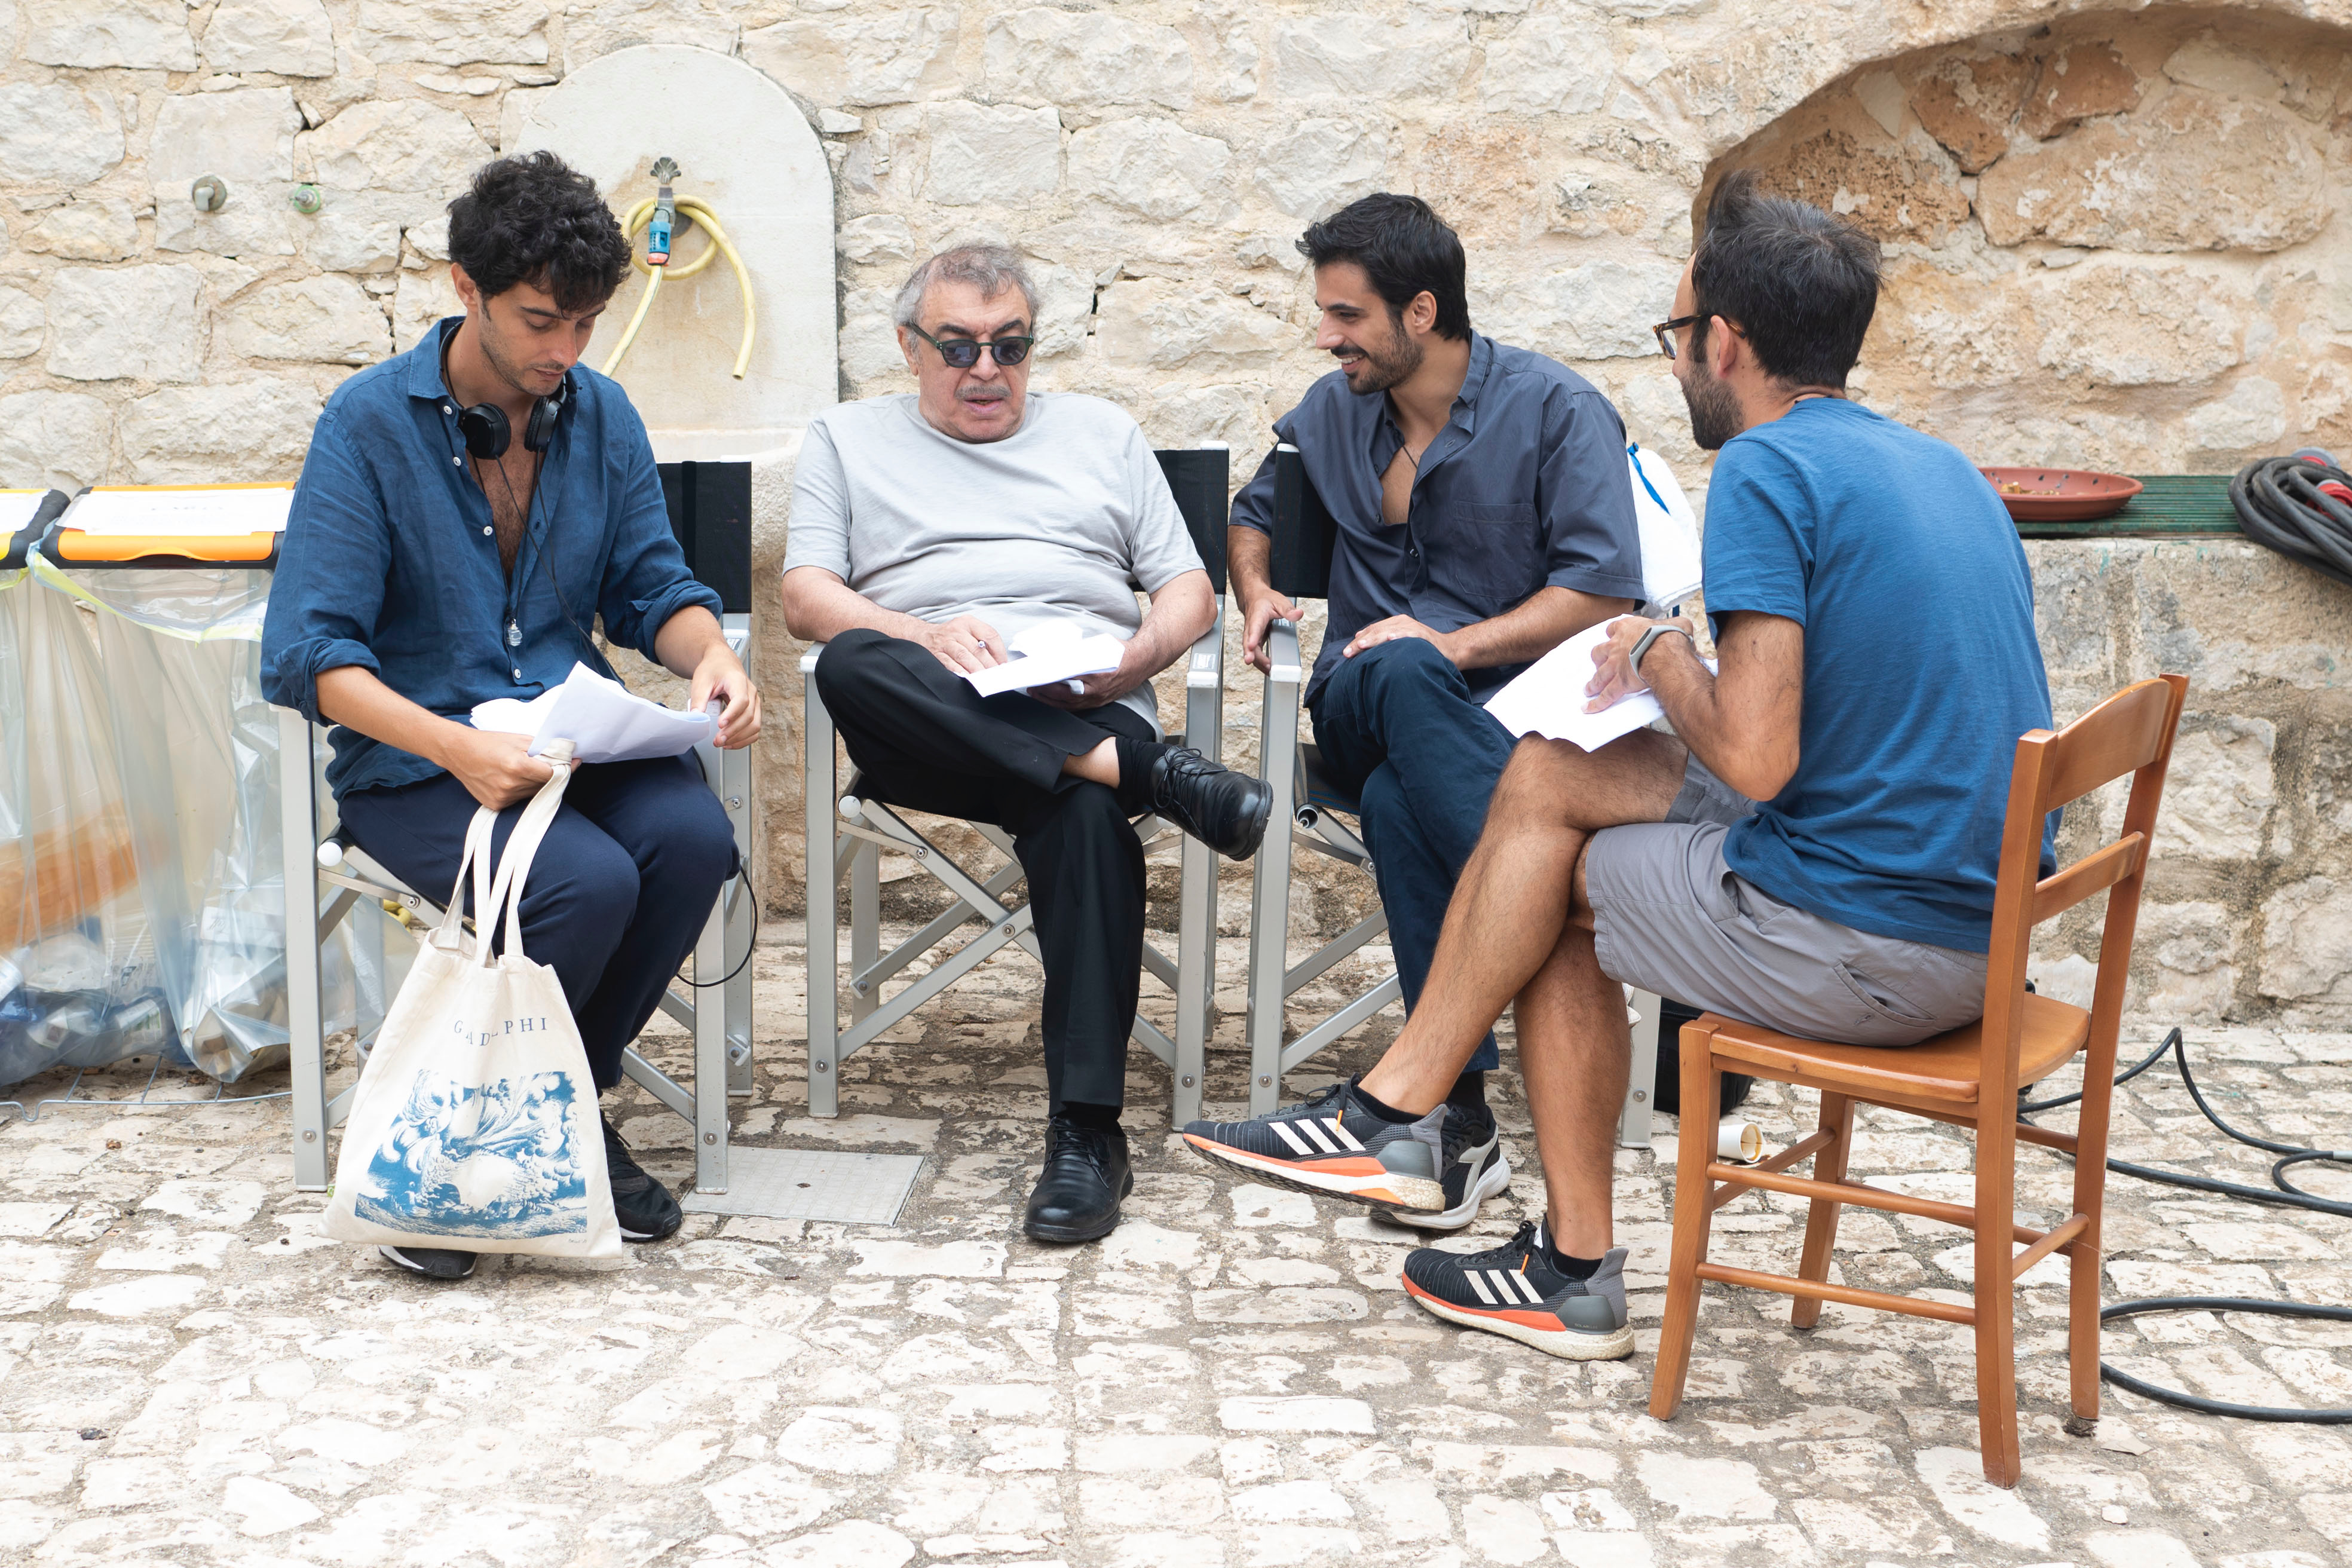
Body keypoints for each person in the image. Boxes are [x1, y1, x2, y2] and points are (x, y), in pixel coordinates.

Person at [1184, 172, 2056, 1359]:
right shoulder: (1942, 466)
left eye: (1679, 333)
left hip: (1867, 937)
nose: (1677, 361)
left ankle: (1539, 1239)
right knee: (1546, 778)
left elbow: (1750, 752)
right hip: (1974, 917)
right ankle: (1405, 1109)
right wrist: (1671, 667)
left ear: (1726, 342)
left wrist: (1654, 649)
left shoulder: (1767, 470)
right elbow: (1801, 728)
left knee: (1558, 882)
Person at [262, 152, 755, 1282]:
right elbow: (306, 656)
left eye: (585, 325)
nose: (564, 353)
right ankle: (478, 1149)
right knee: (585, 882)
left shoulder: (603, 413)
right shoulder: (366, 426)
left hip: (567, 736)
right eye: (541, 322)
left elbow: (651, 587)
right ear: (463, 287)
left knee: (691, 843)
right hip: (419, 762)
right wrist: (455, 748)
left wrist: (715, 655)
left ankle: (553, 1119)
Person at [781, 244, 1273, 1246]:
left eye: (1010, 347)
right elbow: (804, 597)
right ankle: (1158, 775)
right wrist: (926, 636)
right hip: (932, 714)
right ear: (910, 348)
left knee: (1089, 814)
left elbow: (1187, 592)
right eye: (957, 347)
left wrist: (1135, 663)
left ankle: (1088, 1134)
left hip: (1083, 696)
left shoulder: (1101, 433)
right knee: (850, 663)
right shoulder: (846, 437)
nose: (985, 370)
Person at [1189, 194, 1645, 1227]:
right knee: (1392, 676)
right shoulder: (1332, 408)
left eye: (1347, 316)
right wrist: (1258, 589)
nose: (1327, 336)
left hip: (1505, 721)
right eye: (1325, 313)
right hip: (1365, 697)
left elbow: (1603, 590)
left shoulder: (1556, 409)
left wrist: (1454, 645)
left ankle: (1452, 1125)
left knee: (1399, 801)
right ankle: (1566, 903)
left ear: (1423, 312)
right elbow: (1253, 515)